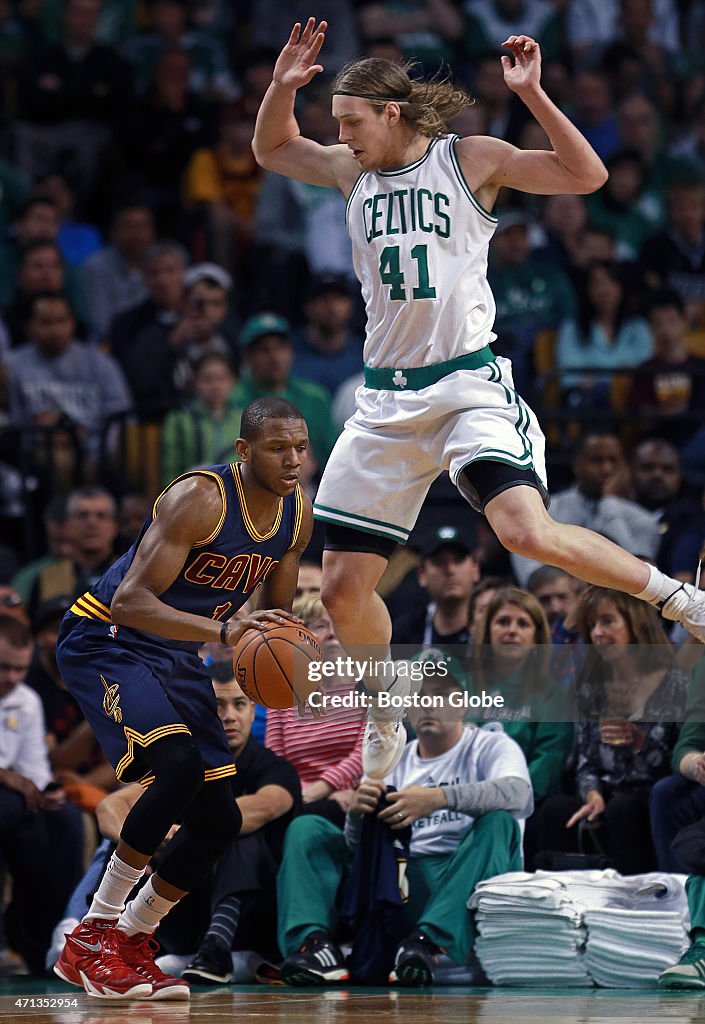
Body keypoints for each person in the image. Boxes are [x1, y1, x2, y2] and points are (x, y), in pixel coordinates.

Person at [252, 19, 705, 782]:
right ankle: (384, 711)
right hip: (385, 399)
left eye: (351, 121)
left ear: (390, 114)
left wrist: (531, 94)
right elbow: (269, 148)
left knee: (522, 531)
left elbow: (586, 176)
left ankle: (678, 599)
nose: (342, 135)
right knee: (339, 586)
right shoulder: (347, 171)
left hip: (465, 385)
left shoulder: (468, 160)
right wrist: (281, 86)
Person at [52, 396, 313, 1000]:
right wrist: (227, 633)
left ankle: (133, 940)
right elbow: (130, 601)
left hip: (178, 653)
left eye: (300, 446)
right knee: (175, 771)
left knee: (217, 816)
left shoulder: (295, 517)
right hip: (108, 639)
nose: (294, 459)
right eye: (279, 447)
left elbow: (273, 617)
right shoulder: (201, 499)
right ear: (245, 451)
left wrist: (282, 651)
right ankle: (90, 936)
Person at [276, 669, 531, 987]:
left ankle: (430, 943)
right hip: (402, 886)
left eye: (440, 695)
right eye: (419, 696)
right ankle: (314, 946)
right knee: (308, 828)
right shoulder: (394, 759)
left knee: (500, 822)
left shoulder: (492, 745)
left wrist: (438, 798)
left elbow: (519, 794)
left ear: (463, 703)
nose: (428, 705)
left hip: (461, 881)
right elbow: (361, 853)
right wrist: (357, 816)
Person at [538, 587, 688, 875]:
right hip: (606, 795)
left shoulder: (674, 685)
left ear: (635, 624)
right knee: (556, 809)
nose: (597, 633)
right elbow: (585, 762)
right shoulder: (590, 689)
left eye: (608, 621)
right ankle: (553, 904)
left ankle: (634, 908)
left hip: (652, 797)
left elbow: (679, 761)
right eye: (592, 625)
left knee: (624, 809)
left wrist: (640, 742)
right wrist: (593, 795)